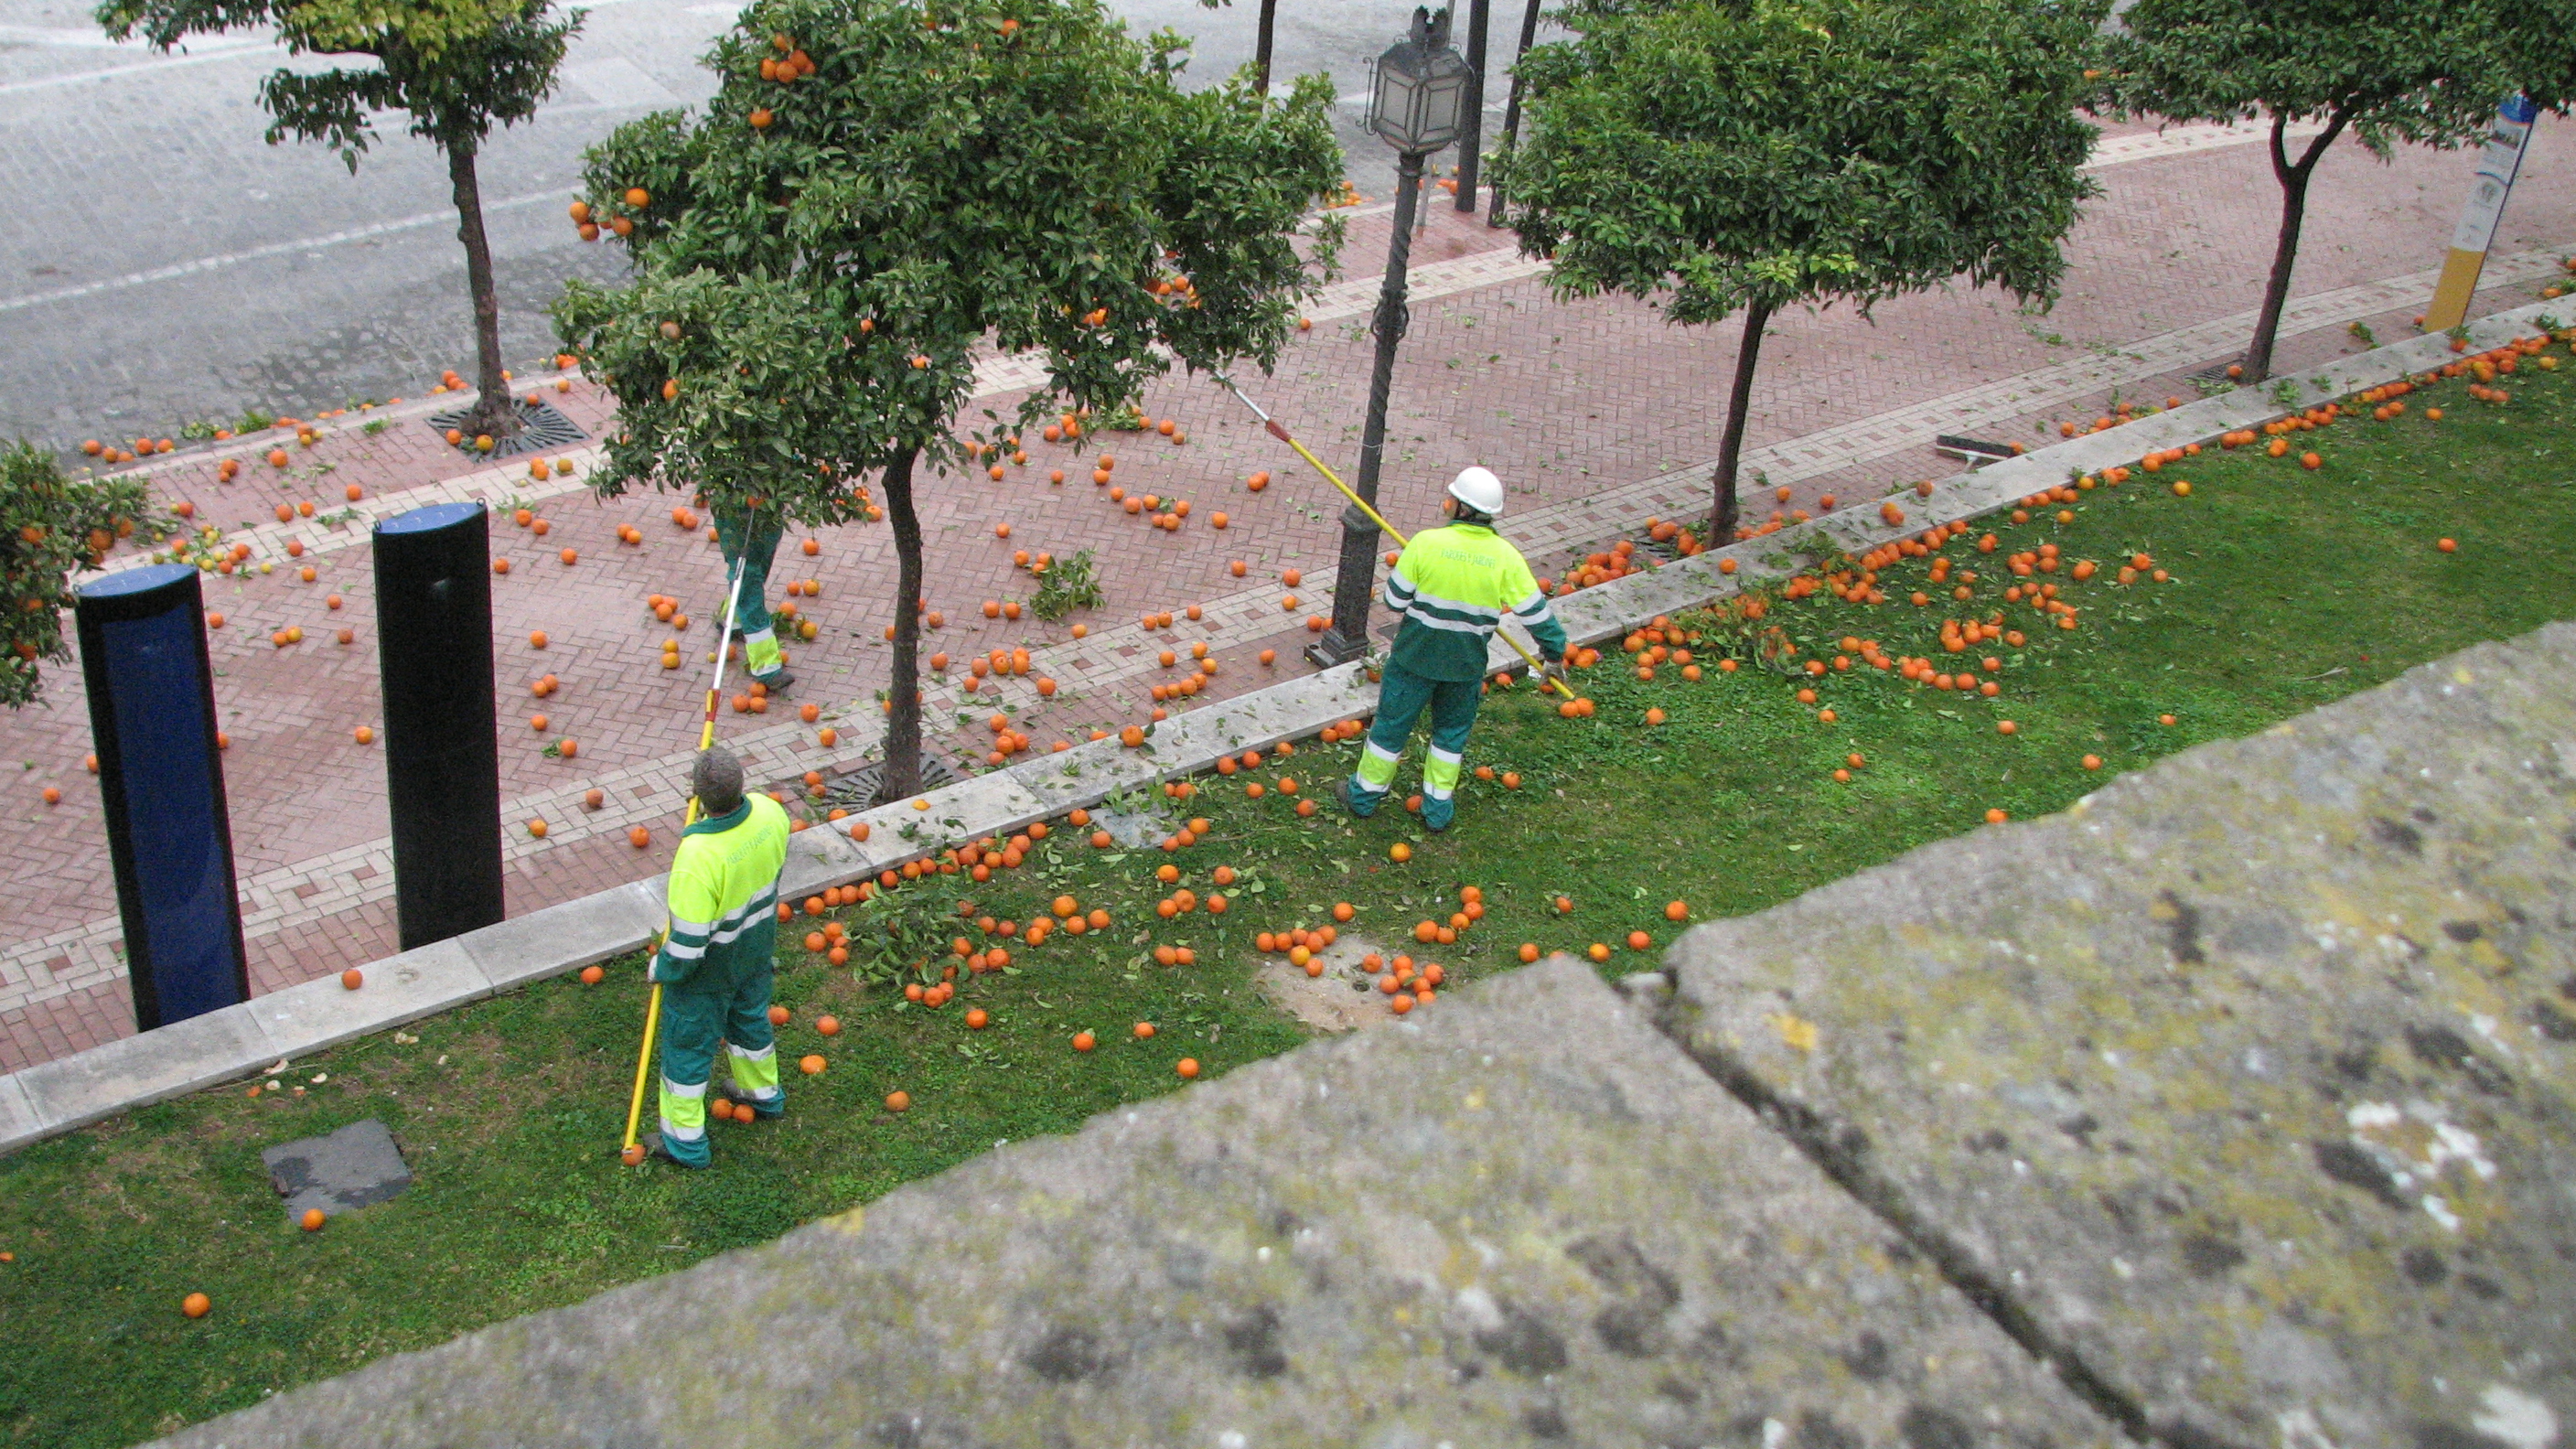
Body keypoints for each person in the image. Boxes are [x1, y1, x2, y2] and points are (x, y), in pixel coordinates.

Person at [1342, 467, 1569, 832]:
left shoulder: (1425, 544)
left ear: (1461, 507)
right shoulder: (1506, 557)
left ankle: (1363, 798)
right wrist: (1554, 653)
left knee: (1390, 730)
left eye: (1451, 498)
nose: (1446, 503)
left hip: (1413, 660)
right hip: (1465, 667)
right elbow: (1537, 614)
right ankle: (1437, 811)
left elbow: (1393, 602)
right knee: (1449, 737)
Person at [641, 746, 791, 1168]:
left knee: (687, 1049)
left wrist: (661, 969)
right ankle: (762, 1094)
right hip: (756, 946)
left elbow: (689, 945)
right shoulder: (770, 813)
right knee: (749, 1019)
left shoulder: (696, 859)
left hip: (710, 969)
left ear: (697, 795)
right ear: (741, 783)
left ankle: (684, 1143)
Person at [715, 502, 794, 691]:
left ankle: (733, 621)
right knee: (747, 576)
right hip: (737, 510)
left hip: (765, 508)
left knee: (758, 562)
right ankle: (766, 667)